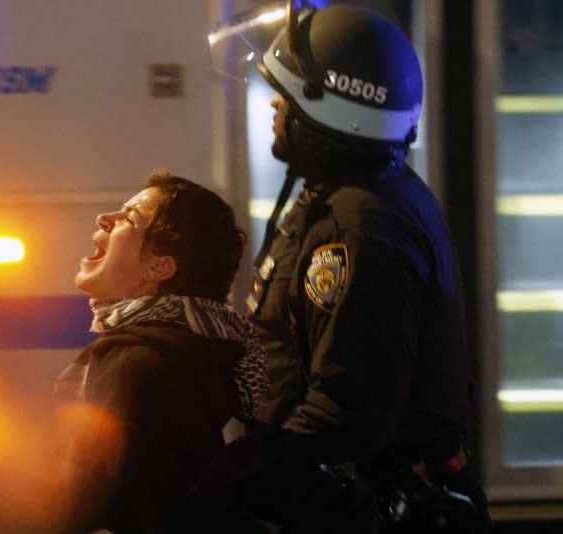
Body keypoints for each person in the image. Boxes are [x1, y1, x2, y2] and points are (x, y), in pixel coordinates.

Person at [238, 3, 491, 533]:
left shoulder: (357, 230)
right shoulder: (352, 198)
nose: (274, 109)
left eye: (284, 96)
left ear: (328, 110)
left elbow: (347, 411)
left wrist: (237, 477)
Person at [51, 170, 268, 533]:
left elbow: (86, 499)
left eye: (129, 219)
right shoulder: (200, 350)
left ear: (160, 267)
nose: (104, 219)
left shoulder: (135, 364)